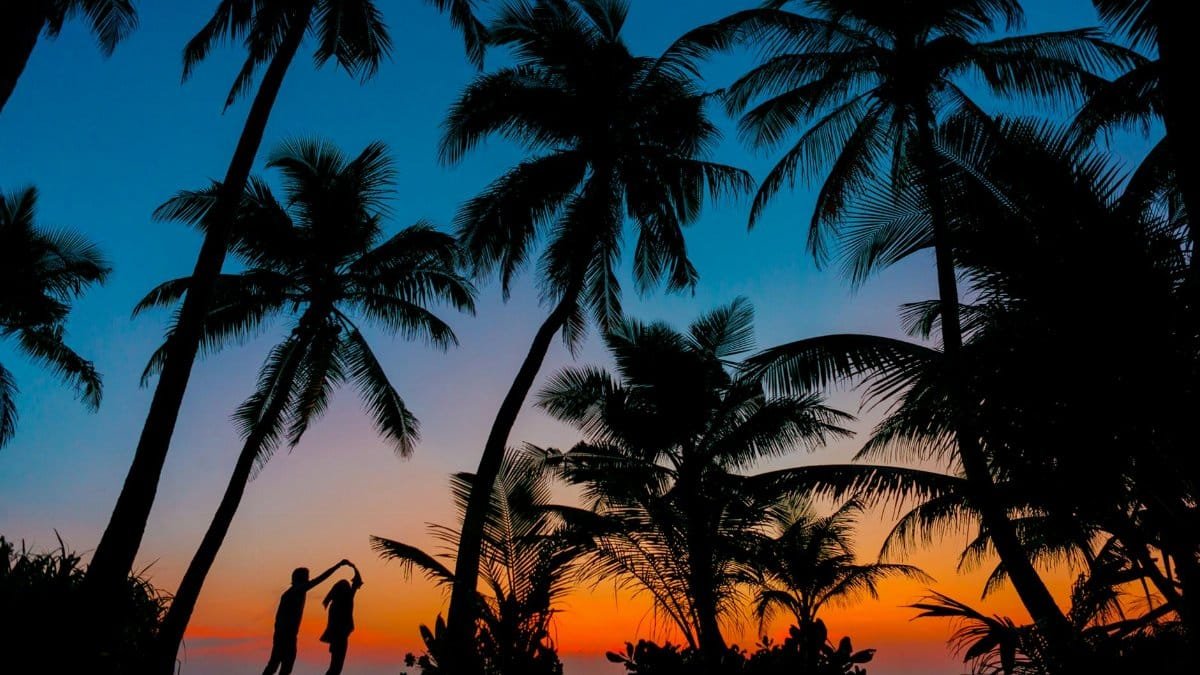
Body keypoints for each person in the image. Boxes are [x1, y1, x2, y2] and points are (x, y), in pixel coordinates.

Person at [263, 559, 352, 675]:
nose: (309, 580)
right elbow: (320, 579)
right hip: (285, 636)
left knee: (280, 665)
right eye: (307, 578)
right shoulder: (296, 590)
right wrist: (338, 566)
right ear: (301, 579)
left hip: (286, 635)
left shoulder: (291, 592)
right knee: (278, 665)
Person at [319, 563, 364, 675]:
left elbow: (356, 583)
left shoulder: (334, 605)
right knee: (336, 668)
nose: (350, 587)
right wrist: (353, 567)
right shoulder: (346, 600)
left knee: (334, 667)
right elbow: (358, 581)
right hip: (340, 637)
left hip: (336, 638)